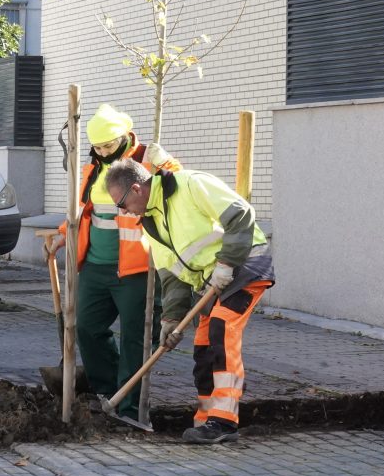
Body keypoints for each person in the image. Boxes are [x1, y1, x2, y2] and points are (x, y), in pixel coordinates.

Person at [104, 157, 275, 444]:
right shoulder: (152, 224)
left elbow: (241, 214)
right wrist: (170, 321)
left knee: (222, 329)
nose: (125, 212)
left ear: (136, 189)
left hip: (245, 266)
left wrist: (227, 262)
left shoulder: (191, 184)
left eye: (121, 204)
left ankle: (224, 421)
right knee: (203, 346)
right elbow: (172, 276)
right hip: (212, 282)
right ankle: (207, 417)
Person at [47, 104, 178, 423]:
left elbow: (178, 186)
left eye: (109, 145)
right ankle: (107, 391)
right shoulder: (92, 168)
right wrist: (64, 234)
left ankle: (130, 406)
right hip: (95, 266)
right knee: (86, 327)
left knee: (135, 338)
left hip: (138, 269)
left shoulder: (148, 159)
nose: (104, 151)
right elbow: (82, 209)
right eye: (98, 146)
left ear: (124, 137)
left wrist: (166, 163)